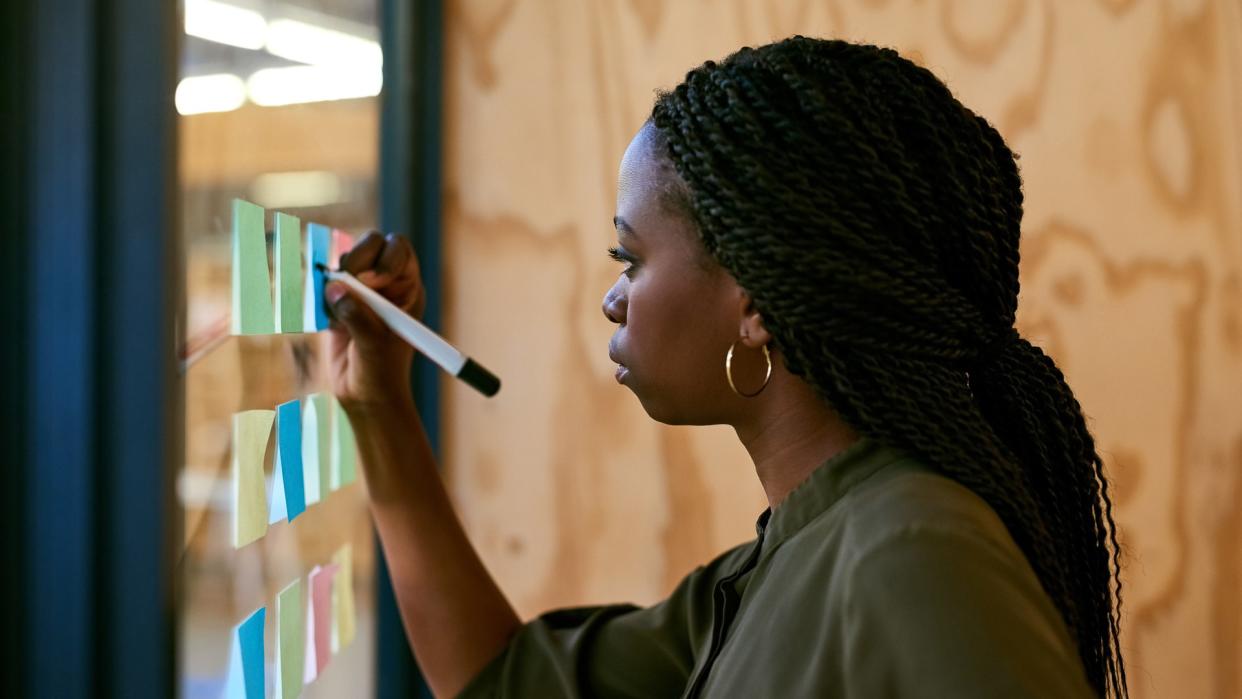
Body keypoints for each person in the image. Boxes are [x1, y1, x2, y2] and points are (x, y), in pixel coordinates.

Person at [325, 36, 1127, 698]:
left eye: (629, 258)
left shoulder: (911, 548)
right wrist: (380, 403)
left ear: (755, 303)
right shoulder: (782, 559)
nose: (612, 299)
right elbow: (502, 681)